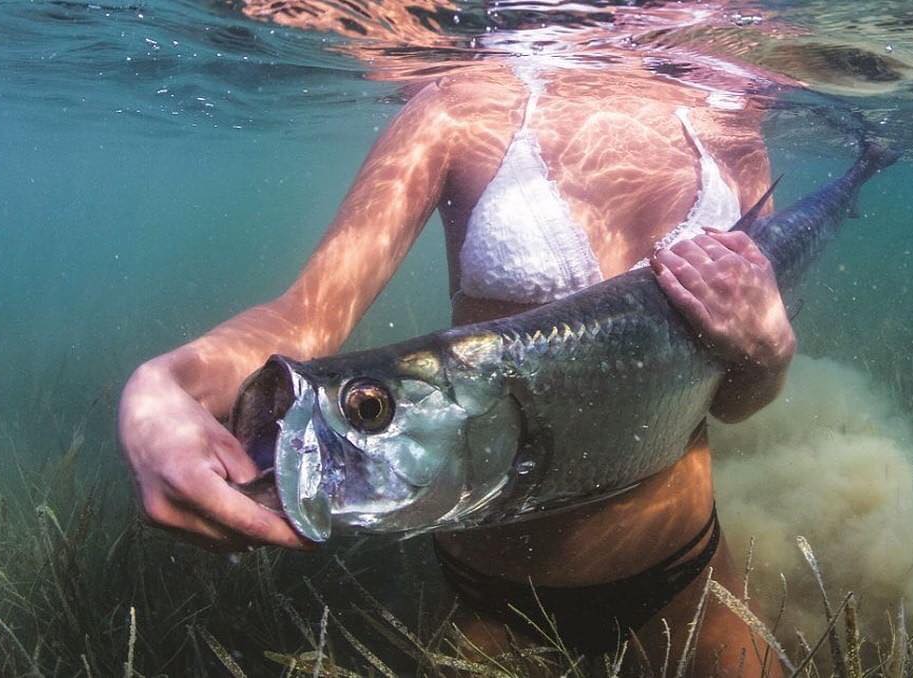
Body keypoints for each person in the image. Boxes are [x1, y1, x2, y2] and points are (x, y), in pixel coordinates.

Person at [118, 46, 796, 676]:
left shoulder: (733, 120)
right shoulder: (460, 104)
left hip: (685, 576)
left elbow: (733, 402)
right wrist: (161, 387)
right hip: (485, 596)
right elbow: (307, 315)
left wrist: (769, 356)